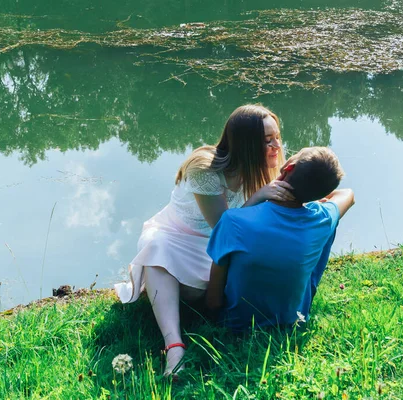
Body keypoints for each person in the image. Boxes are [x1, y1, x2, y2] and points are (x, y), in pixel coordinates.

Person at [114, 104, 294, 376]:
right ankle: (174, 347)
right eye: (267, 141)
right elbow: (224, 228)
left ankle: (164, 289)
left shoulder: (263, 169)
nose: (277, 146)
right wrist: (260, 196)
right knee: (155, 247)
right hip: (176, 237)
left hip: (215, 247)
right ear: (244, 144)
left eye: (277, 137)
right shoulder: (204, 168)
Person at [206, 147, 355, 331]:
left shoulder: (233, 220)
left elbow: (213, 301)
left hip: (236, 324)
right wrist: (314, 199)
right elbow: (348, 194)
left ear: (289, 167)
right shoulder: (321, 218)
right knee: (329, 225)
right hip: (292, 320)